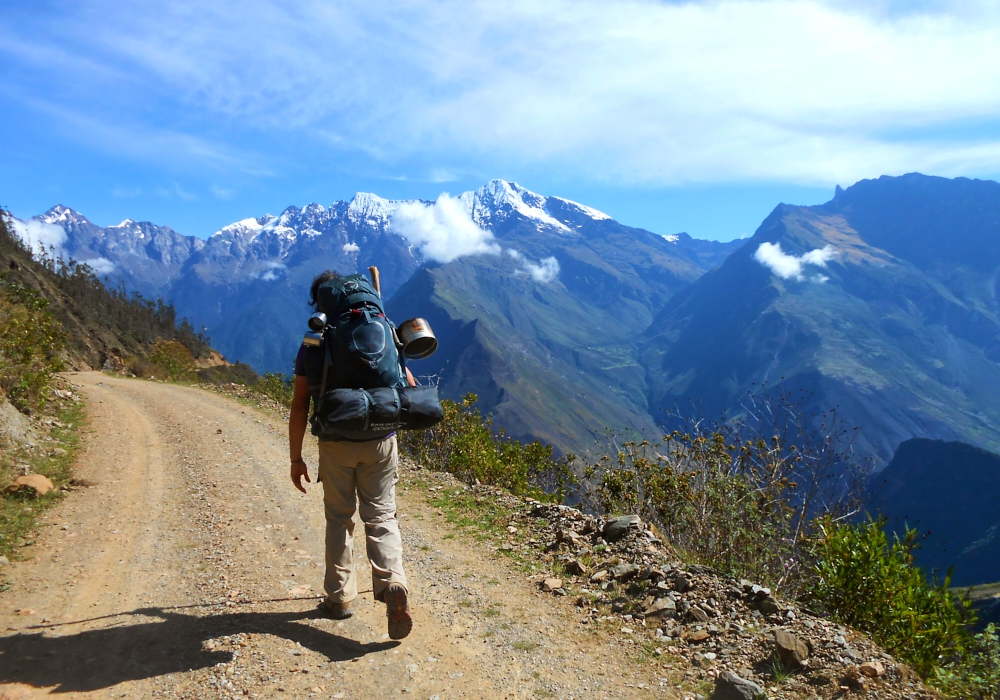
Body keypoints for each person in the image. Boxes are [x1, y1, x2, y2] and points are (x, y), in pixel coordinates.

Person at [287, 270, 414, 640]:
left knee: (340, 518)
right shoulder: (384, 329)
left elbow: (299, 404)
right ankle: (392, 582)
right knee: (381, 515)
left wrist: (296, 458)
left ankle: (340, 598)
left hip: (337, 441)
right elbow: (406, 384)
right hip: (381, 440)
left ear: (322, 303)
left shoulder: (315, 341)